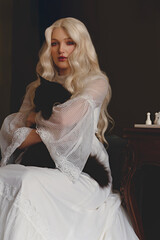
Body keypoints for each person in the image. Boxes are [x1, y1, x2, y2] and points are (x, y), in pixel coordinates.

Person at [0, 17, 139, 240]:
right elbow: (14, 133)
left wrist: (34, 119)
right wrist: (49, 134)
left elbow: (64, 121)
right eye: (54, 43)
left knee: (27, 182)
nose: (61, 50)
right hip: (40, 161)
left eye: (69, 43)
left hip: (84, 169)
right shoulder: (36, 86)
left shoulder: (96, 82)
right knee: (5, 177)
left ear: (81, 45)